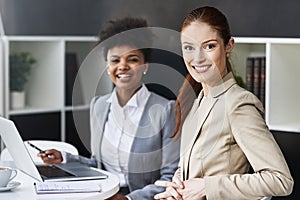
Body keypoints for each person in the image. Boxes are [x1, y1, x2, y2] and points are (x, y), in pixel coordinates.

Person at [154, 6, 294, 200]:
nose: (197, 58)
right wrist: (176, 189)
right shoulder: (197, 102)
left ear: (228, 46)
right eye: (189, 47)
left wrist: (207, 187)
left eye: (209, 46)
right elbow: (186, 168)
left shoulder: (238, 104)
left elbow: (280, 180)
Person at [39, 17, 180, 200]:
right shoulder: (98, 106)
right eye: (115, 60)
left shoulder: (166, 110)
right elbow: (99, 165)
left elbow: (171, 177)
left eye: (132, 59)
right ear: (107, 66)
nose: (122, 66)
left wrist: (128, 199)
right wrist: (64, 159)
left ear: (145, 66)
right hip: (103, 194)